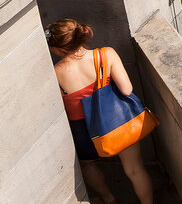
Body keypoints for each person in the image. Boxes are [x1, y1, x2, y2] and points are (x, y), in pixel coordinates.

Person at [46, 19, 153, 204]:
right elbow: (127, 89)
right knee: (134, 170)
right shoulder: (106, 54)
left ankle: (108, 198)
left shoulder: (55, 73)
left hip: (84, 131)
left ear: (57, 48)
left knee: (87, 166)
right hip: (117, 124)